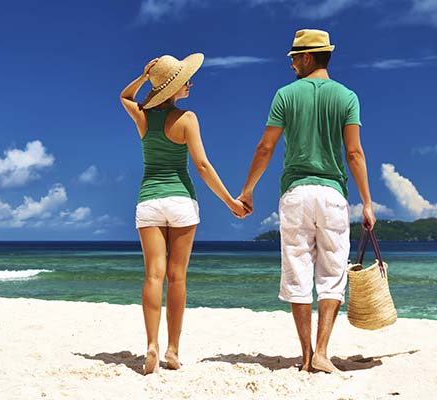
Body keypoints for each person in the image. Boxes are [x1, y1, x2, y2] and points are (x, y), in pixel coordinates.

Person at [237, 29, 376, 373]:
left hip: (297, 194)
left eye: (294, 58)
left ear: (309, 57)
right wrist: (367, 202)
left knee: (297, 273)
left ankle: (305, 355)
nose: (291, 64)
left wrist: (248, 189)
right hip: (331, 194)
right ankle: (323, 353)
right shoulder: (347, 97)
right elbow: (354, 153)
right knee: (332, 274)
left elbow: (265, 147)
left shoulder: (285, 95)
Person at [120, 54, 249, 374]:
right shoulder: (187, 118)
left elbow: (124, 95)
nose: (190, 84)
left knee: (153, 275)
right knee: (177, 277)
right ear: (173, 88)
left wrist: (143, 75)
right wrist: (230, 202)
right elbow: (203, 166)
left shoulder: (143, 117)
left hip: (149, 201)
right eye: (184, 81)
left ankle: (151, 344)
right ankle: (173, 350)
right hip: (180, 202)